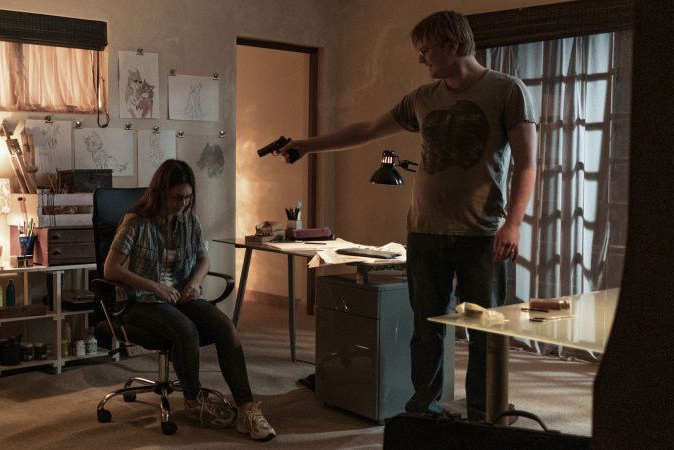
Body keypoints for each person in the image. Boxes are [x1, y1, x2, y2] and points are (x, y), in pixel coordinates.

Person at [274, 10, 537, 421]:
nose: (421, 59)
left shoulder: (507, 91)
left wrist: (514, 224)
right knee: (426, 331)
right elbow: (366, 130)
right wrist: (307, 145)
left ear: (451, 45)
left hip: (482, 235)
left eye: (426, 50)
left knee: (485, 334)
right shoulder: (422, 98)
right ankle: (423, 414)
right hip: (426, 234)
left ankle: (483, 418)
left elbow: (527, 165)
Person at [103, 159, 276, 440]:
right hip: (140, 301)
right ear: (161, 192)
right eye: (176, 197)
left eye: (187, 197)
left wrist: (194, 283)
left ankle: (247, 408)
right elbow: (111, 269)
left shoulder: (189, 220)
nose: (182, 204)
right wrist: (155, 287)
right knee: (186, 329)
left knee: (225, 326)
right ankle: (193, 402)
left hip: (180, 297)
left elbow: (203, 258)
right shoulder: (136, 221)